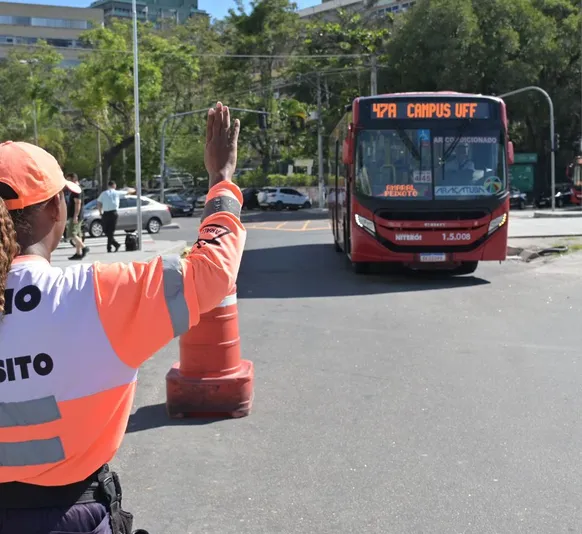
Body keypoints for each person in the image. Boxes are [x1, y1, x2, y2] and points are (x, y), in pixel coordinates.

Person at [0, 102, 244, 534]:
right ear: (56, 210)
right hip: (74, 516)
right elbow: (213, 270)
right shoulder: (96, 297)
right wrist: (221, 181)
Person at [97, 181, 135, 253]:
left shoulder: (105, 193)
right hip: (112, 213)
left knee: (108, 231)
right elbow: (131, 191)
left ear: (108, 186)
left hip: (107, 213)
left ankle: (109, 247)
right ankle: (115, 244)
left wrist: (100, 212)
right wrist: (128, 188)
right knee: (107, 231)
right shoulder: (116, 193)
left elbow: (99, 203)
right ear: (114, 185)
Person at [65, 172, 89, 260]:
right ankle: (78, 253)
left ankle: (84, 247)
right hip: (77, 215)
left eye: (68, 180)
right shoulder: (78, 189)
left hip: (75, 215)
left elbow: (78, 203)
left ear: (73, 179)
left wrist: (75, 216)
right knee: (78, 234)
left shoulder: (76, 190)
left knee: (72, 234)